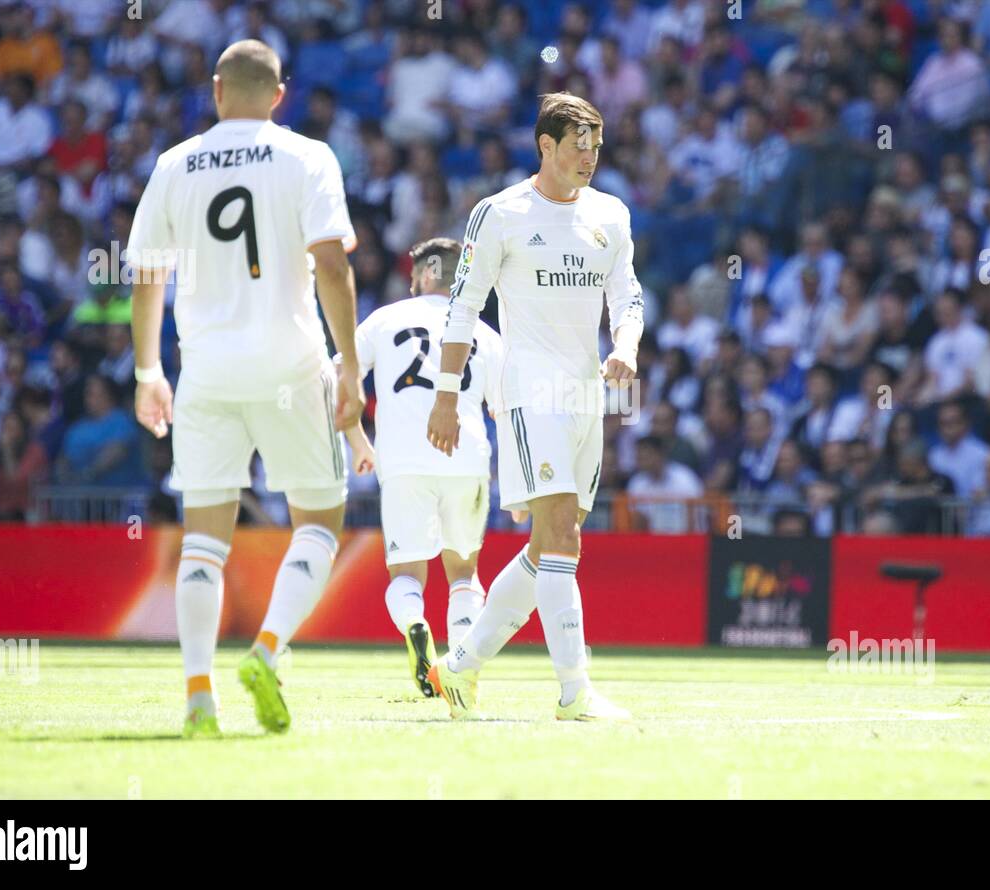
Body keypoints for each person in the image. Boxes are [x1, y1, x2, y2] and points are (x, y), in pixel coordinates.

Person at [126, 40, 365, 739]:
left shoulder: (175, 163)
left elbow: (146, 278)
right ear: (280, 95)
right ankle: (266, 651)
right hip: (291, 365)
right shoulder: (308, 156)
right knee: (319, 522)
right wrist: (349, 363)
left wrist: (148, 372)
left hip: (205, 370)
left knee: (203, 543)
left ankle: (199, 697)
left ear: (217, 91)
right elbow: (331, 266)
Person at [426, 92, 643, 721]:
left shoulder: (612, 215)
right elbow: (464, 308)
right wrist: (446, 396)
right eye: (578, 144)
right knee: (560, 536)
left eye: (596, 145)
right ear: (544, 146)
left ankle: (459, 669)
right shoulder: (500, 213)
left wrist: (625, 346)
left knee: (552, 544)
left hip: (585, 395)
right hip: (528, 392)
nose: (589, 156)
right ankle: (575, 691)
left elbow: (627, 297)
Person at [343, 237, 504, 696]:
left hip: (402, 461)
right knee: (465, 574)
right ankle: (460, 666)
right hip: (467, 458)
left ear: (426, 273)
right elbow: (507, 412)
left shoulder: (385, 319)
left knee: (407, 575)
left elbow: (340, 377)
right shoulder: (483, 332)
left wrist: (359, 441)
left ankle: (416, 624)